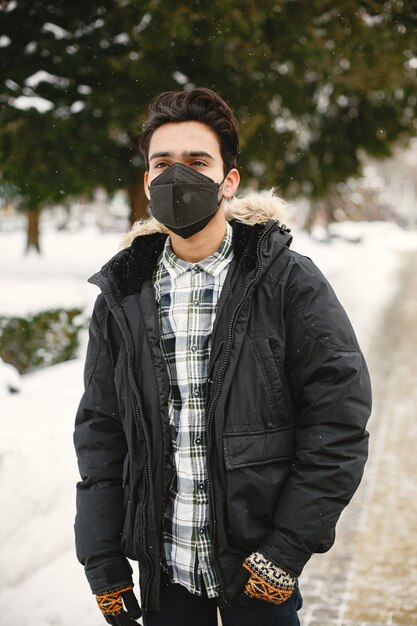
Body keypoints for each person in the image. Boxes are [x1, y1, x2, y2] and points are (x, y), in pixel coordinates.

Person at [74, 88, 372, 626]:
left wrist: (283, 552)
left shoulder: (287, 281)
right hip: (166, 580)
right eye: (161, 164)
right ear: (146, 182)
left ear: (228, 180)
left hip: (258, 576)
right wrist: (103, 560)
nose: (175, 177)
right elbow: (102, 431)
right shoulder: (121, 295)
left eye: (197, 162)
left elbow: (338, 422)